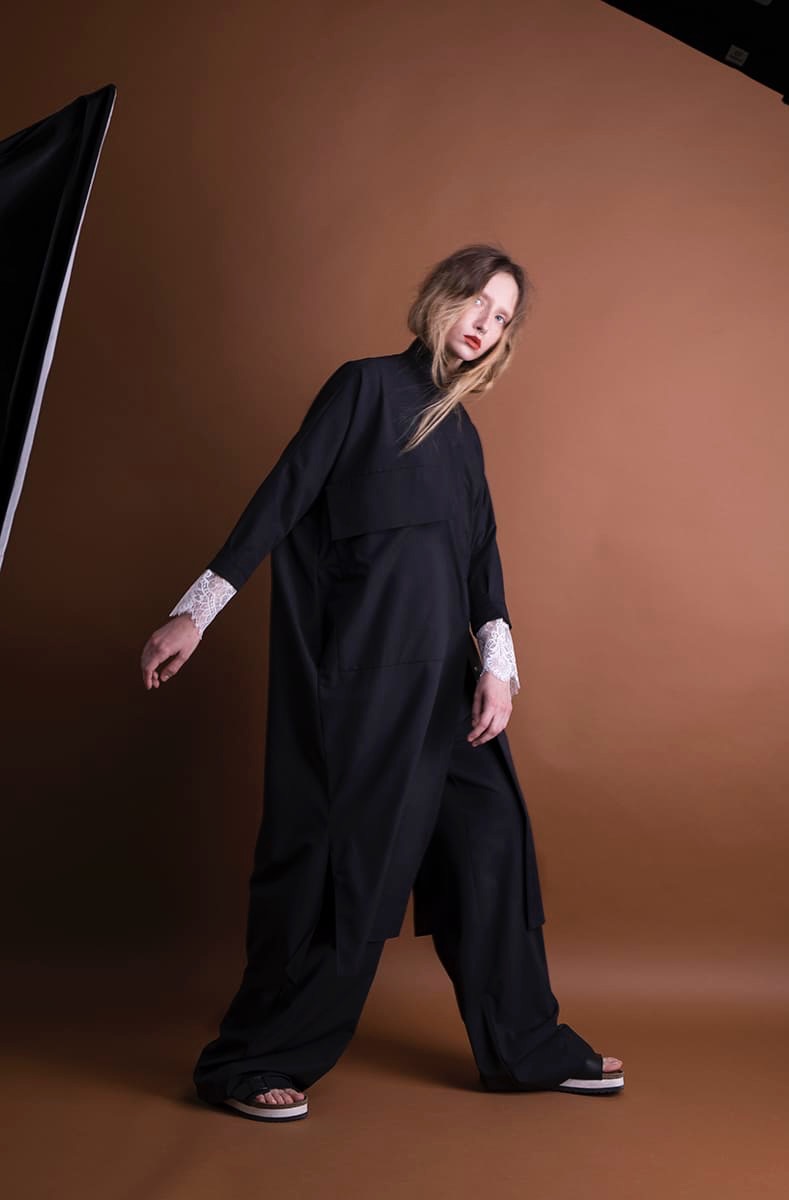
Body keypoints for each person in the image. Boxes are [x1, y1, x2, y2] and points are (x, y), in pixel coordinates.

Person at [140, 244, 623, 1123]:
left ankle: (524, 1047)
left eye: (503, 318)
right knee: (350, 870)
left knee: (490, 849)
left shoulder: (462, 435)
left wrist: (498, 669)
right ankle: (252, 1062)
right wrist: (195, 612)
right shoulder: (362, 389)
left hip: (449, 693)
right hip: (366, 690)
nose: (485, 324)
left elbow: (481, 563)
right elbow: (282, 497)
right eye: (478, 303)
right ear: (443, 298)